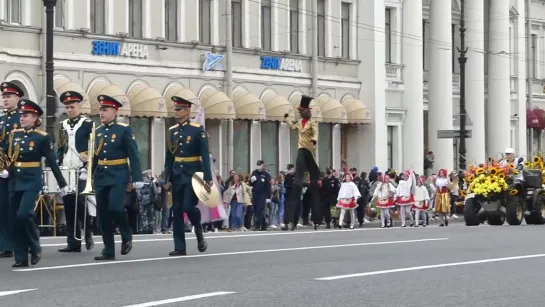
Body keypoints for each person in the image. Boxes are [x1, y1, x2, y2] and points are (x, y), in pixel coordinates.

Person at [0, 99, 68, 267]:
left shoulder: (42, 138)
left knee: (24, 214)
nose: (22, 118)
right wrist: (6, 169)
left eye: (26, 115)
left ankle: (35, 245)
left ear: (35, 117)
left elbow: (51, 161)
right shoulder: (14, 135)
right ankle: (21, 257)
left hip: (31, 181)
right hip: (14, 180)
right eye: (21, 115)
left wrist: (62, 183)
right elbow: (8, 154)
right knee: (15, 219)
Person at [92, 95, 143, 261]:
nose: (102, 113)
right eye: (100, 110)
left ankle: (126, 232)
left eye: (105, 110)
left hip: (118, 175)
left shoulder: (124, 130)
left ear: (114, 112)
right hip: (101, 176)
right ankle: (108, 249)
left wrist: (136, 177)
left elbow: (133, 155)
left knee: (115, 207)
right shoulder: (97, 132)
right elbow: (94, 156)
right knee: (103, 214)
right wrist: (88, 172)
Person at [164, 96, 212, 256]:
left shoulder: (197, 130)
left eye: (179, 109)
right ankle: (179, 246)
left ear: (187, 111)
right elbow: (169, 157)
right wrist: (167, 178)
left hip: (193, 174)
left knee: (187, 207)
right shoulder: (172, 131)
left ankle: (198, 229)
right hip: (177, 174)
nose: (176, 112)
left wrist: (208, 177)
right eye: (175, 109)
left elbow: (205, 155)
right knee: (176, 211)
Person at [56, 91, 95, 253]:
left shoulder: (87, 124)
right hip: (66, 167)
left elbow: (93, 146)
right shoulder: (62, 125)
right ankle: (73, 241)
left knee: (80, 202)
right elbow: (60, 147)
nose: (69, 109)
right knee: (69, 204)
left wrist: (88, 165)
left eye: (72, 106)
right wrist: (57, 162)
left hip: (81, 167)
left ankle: (88, 231)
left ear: (79, 106)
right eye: (67, 107)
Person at [282, 95, 321, 231]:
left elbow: (315, 132)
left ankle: (316, 219)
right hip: (301, 150)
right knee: (297, 184)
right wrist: (287, 119)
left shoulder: (312, 123)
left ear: (306, 112)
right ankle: (289, 220)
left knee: (314, 182)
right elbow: (293, 127)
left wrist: (314, 140)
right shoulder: (299, 123)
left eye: (301, 111)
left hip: (309, 151)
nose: (300, 113)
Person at [0, 81, 23, 258]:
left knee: (15, 207)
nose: (5, 99)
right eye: (4, 96)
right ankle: (5, 244)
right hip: (1, 169)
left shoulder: (21, 119)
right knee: (2, 207)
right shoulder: (1, 119)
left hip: (16, 169)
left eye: (9, 96)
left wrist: (10, 165)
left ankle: (21, 241)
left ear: (18, 98)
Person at [250, 160, 271, 231]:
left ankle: (256, 225)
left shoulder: (266, 174)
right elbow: (251, 184)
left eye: (260, 165)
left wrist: (268, 197)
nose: (258, 166)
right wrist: (251, 181)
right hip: (255, 194)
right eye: (257, 165)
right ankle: (264, 225)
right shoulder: (254, 172)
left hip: (263, 194)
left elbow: (268, 186)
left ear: (262, 165)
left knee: (260, 210)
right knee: (256, 210)